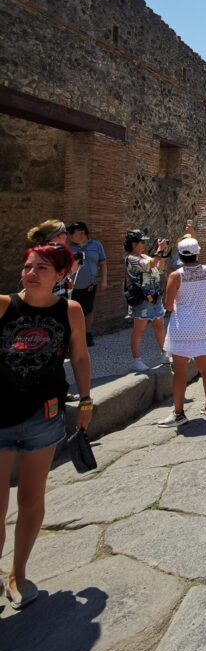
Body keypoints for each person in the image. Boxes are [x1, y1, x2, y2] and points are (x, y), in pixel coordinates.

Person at [0, 243, 92, 609]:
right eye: (27, 266)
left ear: (61, 275)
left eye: (41, 268)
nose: (30, 273)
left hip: (44, 416)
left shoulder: (70, 311)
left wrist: (86, 401)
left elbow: (80, 357)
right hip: (1, 416)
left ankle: (18, 574)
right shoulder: (4, 306)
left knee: (31, 498)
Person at [159, 237, 206, 428]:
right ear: (197, 252)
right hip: (202, 326)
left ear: (180, 255)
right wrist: (199, 303)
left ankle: (179, 414)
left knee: (180, 372)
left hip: (181, 328)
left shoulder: (175, 276)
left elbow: (169, 305)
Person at [124, 230, 168, 372]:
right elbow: (150, 265)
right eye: (142, 242)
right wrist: (159, 251)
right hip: (143, 298)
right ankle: (136, 360)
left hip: (155, 297)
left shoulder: (144, 256)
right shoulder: (131, 258)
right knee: (139, 330)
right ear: (133, 244)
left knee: (159, 326)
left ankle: (164, 354)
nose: (144, 244)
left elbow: (160, 268)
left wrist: (161, 253)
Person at [67, 222, 107, 347]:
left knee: (88, 310)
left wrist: (104, 281)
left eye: (72, 233)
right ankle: (74, 336)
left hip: (90, 285)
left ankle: (87, 334)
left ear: (82, 233)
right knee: (71, 311)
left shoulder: (96, 245)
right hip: (71, 287)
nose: (70, 235)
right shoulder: (68, 247)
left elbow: (103, 264)